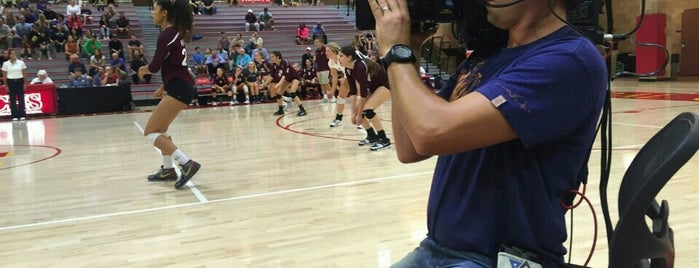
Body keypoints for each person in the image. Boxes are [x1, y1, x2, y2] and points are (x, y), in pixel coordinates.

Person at [368, 0, 607, 266]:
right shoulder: (488, 56)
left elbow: (430, 131)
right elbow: (410, 147)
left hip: (497, 258)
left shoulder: (569, 59)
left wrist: (395, 52)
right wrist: (410, 48)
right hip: (436, 248)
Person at [137, 0, 200, 189]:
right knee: (161, 130)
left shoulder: (167, 34)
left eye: (154, 9)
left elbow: (155, 66)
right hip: (179, 86)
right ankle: (168, 169)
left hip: (180, 88)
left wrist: (142, 69)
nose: (152, 13)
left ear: (164, 13)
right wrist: (165, 86)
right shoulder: (173, 33)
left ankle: (186, 164)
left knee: (150, 132)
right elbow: (174, 65)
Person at [337, 46, 391, 150]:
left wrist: (359, 113)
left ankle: (384, 139)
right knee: (359, 113)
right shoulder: (348, 69)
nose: (339, 58)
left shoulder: (360, 66)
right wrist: (354, 113)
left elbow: (363, 92)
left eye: (341, 56)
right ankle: (372, 136)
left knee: (367, 110)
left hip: (385, 85)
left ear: (349, 57)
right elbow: (352, 91)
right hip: (373, 88)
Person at [1, 50, 27, 121]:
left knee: (21, 99)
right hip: (11, 82)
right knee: (12, 99)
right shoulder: (6, 64)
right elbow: (4, 75)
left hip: (20, 81)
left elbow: (24, 73)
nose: (13, 55)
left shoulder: (21, 63)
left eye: (15, 53)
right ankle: (14, 115)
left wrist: (24, 83)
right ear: (9, 55)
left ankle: (22, 115)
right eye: (12, 54)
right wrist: (6, 85)